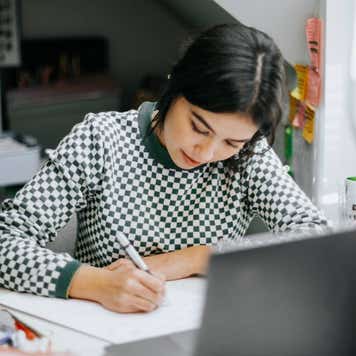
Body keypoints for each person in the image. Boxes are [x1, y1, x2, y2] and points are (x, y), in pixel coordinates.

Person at [0, 23, 328, 314]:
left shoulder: (249, 154)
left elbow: (316, 245)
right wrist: (96, 283)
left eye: (231, 143)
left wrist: (195, 258)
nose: (208, 152)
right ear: (175, 86)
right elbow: (6, 242)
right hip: (106, 329)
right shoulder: (101, 140)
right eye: (199, 127)